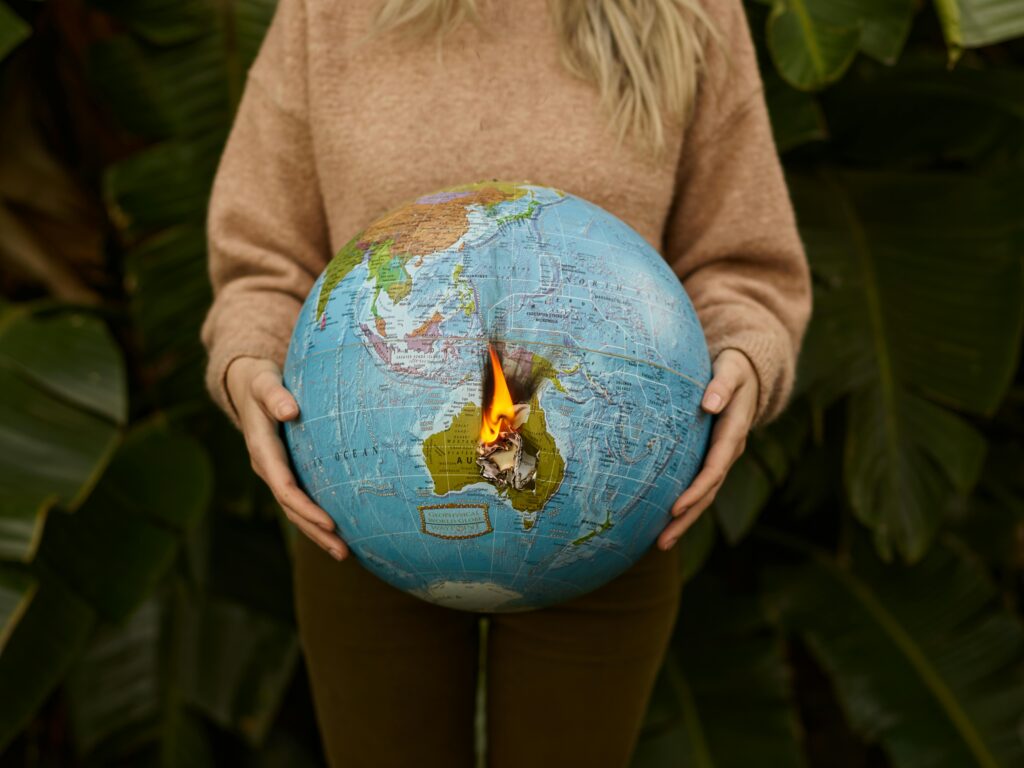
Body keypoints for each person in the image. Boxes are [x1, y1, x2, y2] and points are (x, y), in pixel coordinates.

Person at [200, 0, 812, 764]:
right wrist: (247, 360)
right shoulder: (326, 13)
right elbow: (264, 259)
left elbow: (741, 263)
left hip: (606, 507)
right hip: (364, 504)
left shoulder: (691, 13)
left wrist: (747, 357)